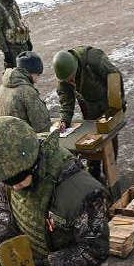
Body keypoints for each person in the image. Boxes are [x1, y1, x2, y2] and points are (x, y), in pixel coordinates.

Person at [0, 116, 110, 266]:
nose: (14, 187)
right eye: (8, 182)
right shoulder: (14, 167)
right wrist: (8, 250)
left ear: (34, 164)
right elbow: (4, 210)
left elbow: (96, 249)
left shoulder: (81, 192)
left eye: (18, 181)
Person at [52, 48, 125, 181]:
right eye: (67, 80)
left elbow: (114, 76)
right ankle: (94, 172)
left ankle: (110, 170)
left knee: (109, 137)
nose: (71, 82)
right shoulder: (64, 74)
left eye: (72, 78)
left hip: (107, 101)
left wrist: (117, 106)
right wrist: (64, 120)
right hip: (88, 105)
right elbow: (66, 99)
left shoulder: (94, 59)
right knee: (91, 140)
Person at [0, 51, 50, 132]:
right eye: (37, 74)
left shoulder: (2, 87)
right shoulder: (27, 92)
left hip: (6, 134)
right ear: (30, 72)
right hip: (25, 137)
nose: (37, 80)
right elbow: (41, 124)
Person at [0, 0, 32, 69]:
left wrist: (28, 40)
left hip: (23, 44)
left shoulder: (13, 3)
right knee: (15, 72)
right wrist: (5, 51)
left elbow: (21, 22)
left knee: (28, 70)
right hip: (12, 48)